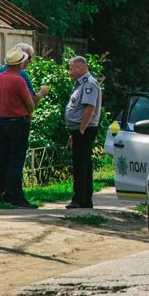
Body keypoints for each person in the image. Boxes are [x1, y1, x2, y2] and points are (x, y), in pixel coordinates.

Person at [0, 43, 48, 203]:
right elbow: (30, 104)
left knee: (2, 157)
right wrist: (39, 96)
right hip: (18, 122)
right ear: (20, 63)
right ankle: (15, 195)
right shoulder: (19, 79)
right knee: (16, 159)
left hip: (1, 121)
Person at [64, 56, 102, 209]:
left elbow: (89, 108)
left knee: (80, 164)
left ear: (79, 68)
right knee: (82, 163)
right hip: (80, 129)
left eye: (71, 68)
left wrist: (81, 129)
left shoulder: (89, 84)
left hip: (85, 129)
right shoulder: (80, 84)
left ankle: (79, 198)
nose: (69, 72)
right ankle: (85, 199)